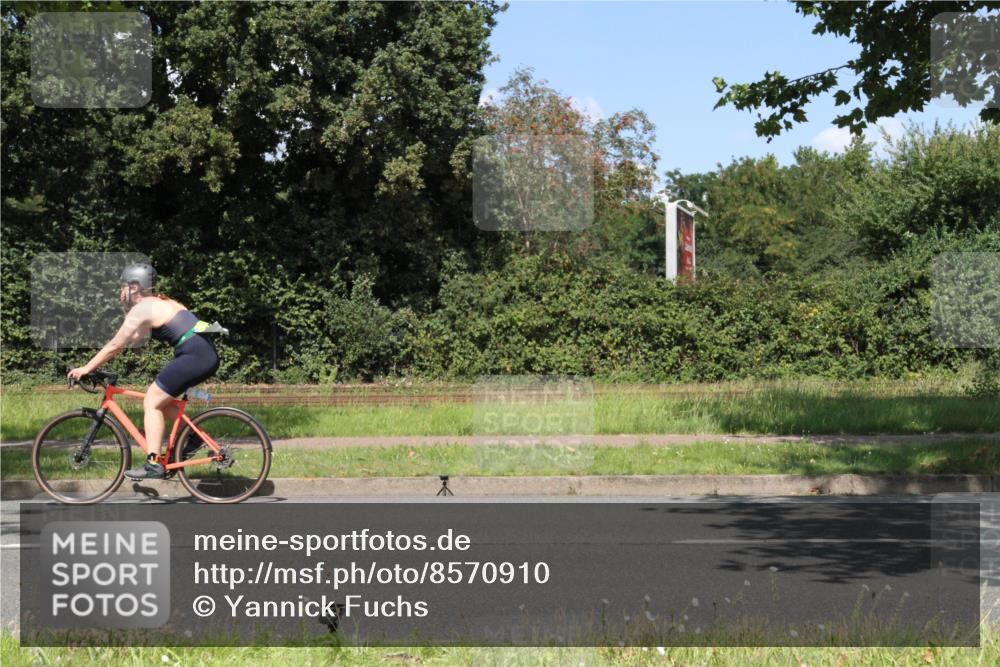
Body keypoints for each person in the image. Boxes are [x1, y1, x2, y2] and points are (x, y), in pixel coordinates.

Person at [67, 263, 221, 479]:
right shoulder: (158, 302)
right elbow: (137, 336)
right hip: (201, 352)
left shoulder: (143, 308)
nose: (120, 293)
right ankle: (194, 436)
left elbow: (115, 345)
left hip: (195, 355)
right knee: (162, 400)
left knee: (151, 401)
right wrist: (125, 310)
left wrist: (86, 368)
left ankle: (153, 463)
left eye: (123, 288)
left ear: (134, 288)